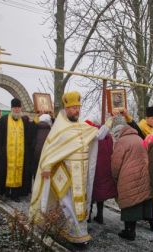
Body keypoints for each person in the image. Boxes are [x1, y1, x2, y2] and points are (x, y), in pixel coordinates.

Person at [29, 91, 112, 246]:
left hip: (83, 173)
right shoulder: (59, 128)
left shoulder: (83, 127)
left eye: (78, 107)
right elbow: (50, 151)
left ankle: (79, 231)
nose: (77, 110)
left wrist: (109, 121)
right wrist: (46, 166)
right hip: (66, 174)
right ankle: (76, 233)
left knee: (82, 203)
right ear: (66, 109)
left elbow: (99, 136)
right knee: (69, 204)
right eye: (73, 108)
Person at [110, 115, 152, 241]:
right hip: (144, 173)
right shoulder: (139, 138)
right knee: (137, 199)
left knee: (129, 202)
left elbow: (116, 163)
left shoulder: (122, 142)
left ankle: (129, 231)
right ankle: (132, 230)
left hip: (128, 175)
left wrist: (115, 177)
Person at [0, 98, 33, 201]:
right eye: (15, 108)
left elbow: (30, 134)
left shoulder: (24, 121)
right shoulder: (4, 120)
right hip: (6, 155)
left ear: (21, 108)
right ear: (11, 108)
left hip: (20, 155)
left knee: (19, 174)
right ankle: (3, 193)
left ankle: (16, 195)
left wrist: (36, 121)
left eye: (18, 108)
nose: (17, 110)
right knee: (3, 173)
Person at [121, 107, 153, 231]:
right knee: (143, 196)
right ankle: (152, 223)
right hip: (143, 167)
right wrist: (127, 116)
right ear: (147, 118)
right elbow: (134, 127)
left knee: (152, 196)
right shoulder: (141, 129)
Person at [85, 118, 117, 225]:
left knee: (90, 190)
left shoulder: (92, 136)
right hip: (106, 168)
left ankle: (88, 215)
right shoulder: (109, 137)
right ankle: (100, 215)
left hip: (94, 167)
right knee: (101, 193)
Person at [31, 113, 52, 180]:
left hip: (36, 156)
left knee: (36, 176)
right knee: (46, 178)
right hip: (47, 157)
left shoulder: (35, 129)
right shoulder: (50, 130)